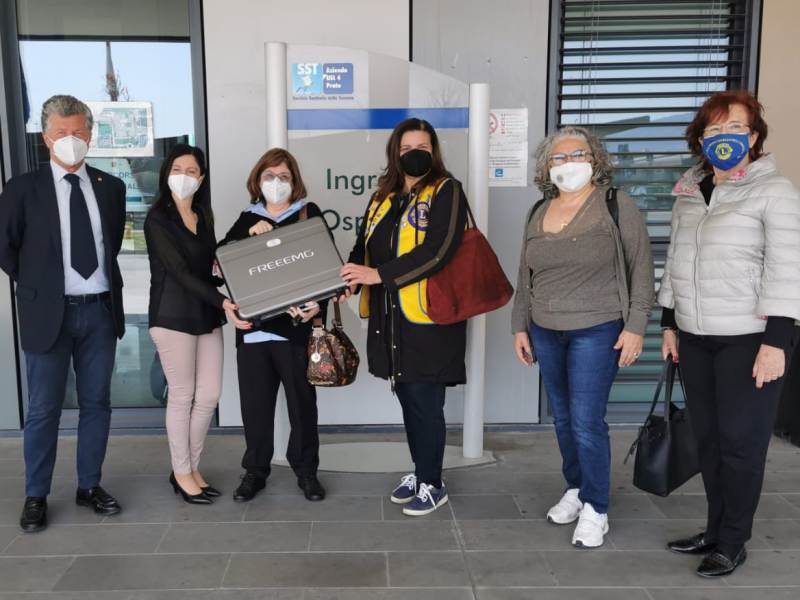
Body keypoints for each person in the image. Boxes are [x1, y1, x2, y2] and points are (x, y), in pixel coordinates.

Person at [659, 90, 800, 577]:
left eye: (736, 128)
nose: (725, 137)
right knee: (711, 441)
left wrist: (776, 342)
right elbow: (676, 261)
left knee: (742, 445)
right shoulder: (689, 192)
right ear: (700, 140)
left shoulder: (774, 190)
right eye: (714, 129)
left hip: (750, 339)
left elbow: (788, 268)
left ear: (754, 137)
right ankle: (715, 529)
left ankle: (734, 540)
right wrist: (669, 322)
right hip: (696, 336)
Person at [510, 126, 654, 548]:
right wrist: (519, 325)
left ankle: (596, 507)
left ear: (595, 161)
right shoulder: (538, 210)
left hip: (598, 327)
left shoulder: (615, 204)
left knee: (587, 421)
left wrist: (636, 327)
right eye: (560, 157)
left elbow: (641, 269)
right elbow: (525, 274)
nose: (569, 163)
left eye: (579, 155)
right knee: (563, 417)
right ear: (546, 166)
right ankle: (576, 487)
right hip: (545, 329)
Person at [0, 95, 127, 532]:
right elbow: (6, 248)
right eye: (60, 133)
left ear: (90, 135)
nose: (70, 140)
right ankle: (36, 494)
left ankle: (89, 485)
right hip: (47, 315)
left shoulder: (111, 188)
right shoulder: (22, 189)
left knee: (97, 404)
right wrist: (40, 287)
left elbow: (110, 243)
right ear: (45, 137)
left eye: (77, 132)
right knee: (43, 410)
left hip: (99, 313)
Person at [340, 118, 468, 517]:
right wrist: (351, 279)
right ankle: (421, 469)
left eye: (423, 147)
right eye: (407, 147)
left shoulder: (446, 190)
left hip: (429, 319)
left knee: (426, 401)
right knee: (409, 398)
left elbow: (439, 251)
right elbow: (363, 246)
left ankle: (433, 483)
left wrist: (378, 275)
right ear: (395, 153)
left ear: (434, 151)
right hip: (390, 317)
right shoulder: (383, 196)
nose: (415, 154)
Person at [218, 147, 327, 503]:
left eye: (283, 176)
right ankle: (255, 471)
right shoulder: (247, 218)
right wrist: (248, 238)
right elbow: (219, 263)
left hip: (294, 332)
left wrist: (318, 306)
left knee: (302, 407)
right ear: (258, 180)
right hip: (254, 333)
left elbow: (327, 269)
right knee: (255, 409)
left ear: (294, 181)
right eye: (269, 176)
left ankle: (307, 472)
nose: (276, 182)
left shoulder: (308, 215)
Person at [144, 144, 245, 504]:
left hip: (206, 314)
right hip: (173, 317)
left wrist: (230, 276)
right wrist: (223, 301)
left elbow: (206, 268)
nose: (183, 177)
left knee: (209, 395)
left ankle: (190, 467)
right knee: (183, 395)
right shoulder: (158, 219)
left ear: (201, 179)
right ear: (166, 174)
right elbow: (179, 272)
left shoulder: (202, 216)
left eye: (191, 171)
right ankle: (182, 471)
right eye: (177, 169)